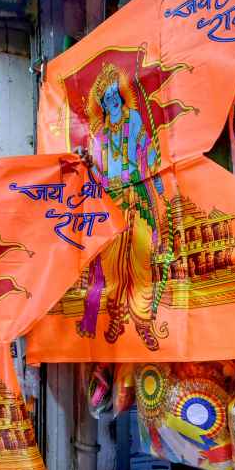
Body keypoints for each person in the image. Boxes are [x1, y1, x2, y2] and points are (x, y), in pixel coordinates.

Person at [75, 63, 164, 350]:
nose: (112, 99)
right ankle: (115, 319)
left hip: (135, 195)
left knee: (141, 263)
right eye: (107, 97)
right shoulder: (99, 137)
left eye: (115, 93)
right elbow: (97, 175)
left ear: (122, 96)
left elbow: (146, 150)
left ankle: (143, 321)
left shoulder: (134, 120)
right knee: (111, 269)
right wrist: (87, 166)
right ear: (101, 103)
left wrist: (158, 183)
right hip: (111, 202)